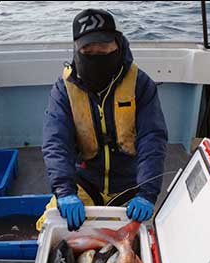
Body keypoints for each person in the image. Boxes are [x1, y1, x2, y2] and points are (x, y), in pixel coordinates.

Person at [36, 8, 168, 231]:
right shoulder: (63, 89)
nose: (96, 53)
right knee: (47, 228)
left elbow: (152, 140)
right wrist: (65, 191)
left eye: (103, 46)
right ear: (76, 49)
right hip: (84, 183)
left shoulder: (140, 84)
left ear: (118, 44)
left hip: (130, 186)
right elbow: (56, 143)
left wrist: (147, 192)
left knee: (146, 239)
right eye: (88, 48)